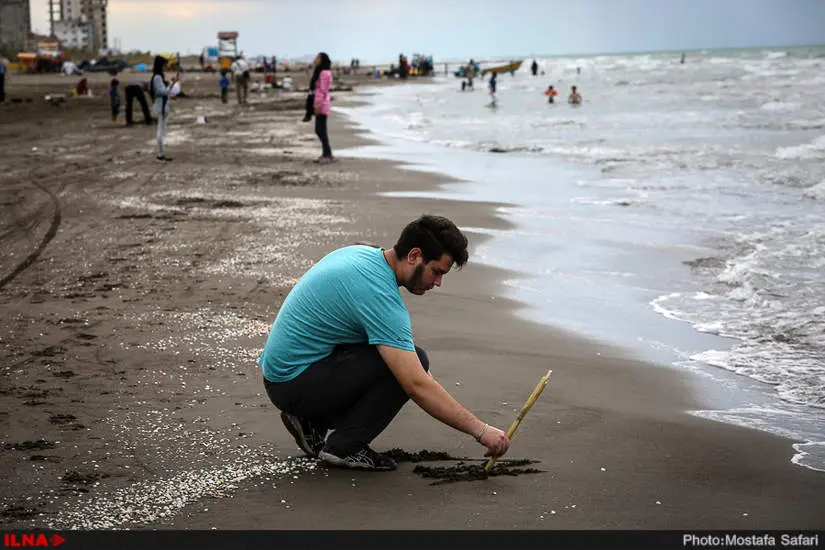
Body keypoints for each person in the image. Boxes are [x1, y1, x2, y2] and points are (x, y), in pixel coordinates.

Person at [259, 215, 512, 471]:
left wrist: (421, 377)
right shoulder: (378, 295)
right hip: (292, 382)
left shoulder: (364, 256)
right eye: (436, 271)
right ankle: (344, 447)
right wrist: (481, 431)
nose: (437, 282)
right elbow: (415, 384)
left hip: (286, 373)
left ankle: (311, 422)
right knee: (412, 365)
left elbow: (415, 374)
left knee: (410, 363)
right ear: (414, 255)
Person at [150, 55, 178, 162]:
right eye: (165, 65)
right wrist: (172, 84)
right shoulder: (157, 77)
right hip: (161, 108)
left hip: (161, 106)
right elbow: (162, 91)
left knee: (161, 131)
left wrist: (170, 95)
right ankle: (160, 154)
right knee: (160, 131)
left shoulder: (157, 76)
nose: (166, 67)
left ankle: (161, 153)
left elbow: (161, 92)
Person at [311, 52, 334, 163]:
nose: (316, 59)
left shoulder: (324, 73)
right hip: (321, 101)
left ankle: (327, 154)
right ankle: (327, 153)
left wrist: (318, 104)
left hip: (322, 103)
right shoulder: (321, 71)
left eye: (318, 58)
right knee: (320, 130)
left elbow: (323, 90)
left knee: (320, 130)